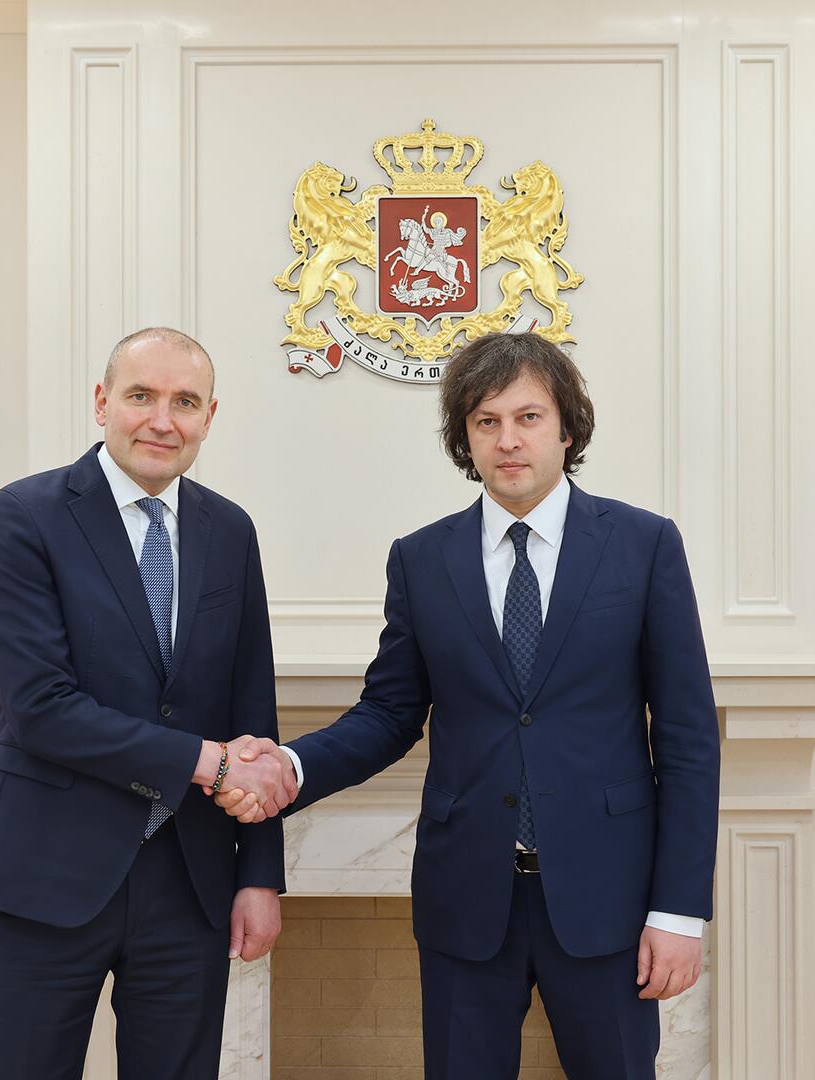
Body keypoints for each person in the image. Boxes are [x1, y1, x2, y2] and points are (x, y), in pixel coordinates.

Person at [219, 331, 720, 1078]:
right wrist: (289, 766)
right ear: (466, 437)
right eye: (487, 421)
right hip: (466, 899)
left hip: (607, 898)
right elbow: (389, 714)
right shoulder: (421, 558)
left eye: (528, 417)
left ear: (567, 429)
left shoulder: (644, 546)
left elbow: (686, 740)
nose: (507, 440)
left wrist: (678, 911)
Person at [0, 327, 293, 1079]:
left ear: (210, 417)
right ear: (102, 402)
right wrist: (206, 763)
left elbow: (253, 715)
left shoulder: (230, 531)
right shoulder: (25, 515)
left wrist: (258, 876)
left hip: (191, 878)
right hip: (47, 869)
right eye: (142, 396)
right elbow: (41, 707)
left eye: (185, 402)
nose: (162, 421)